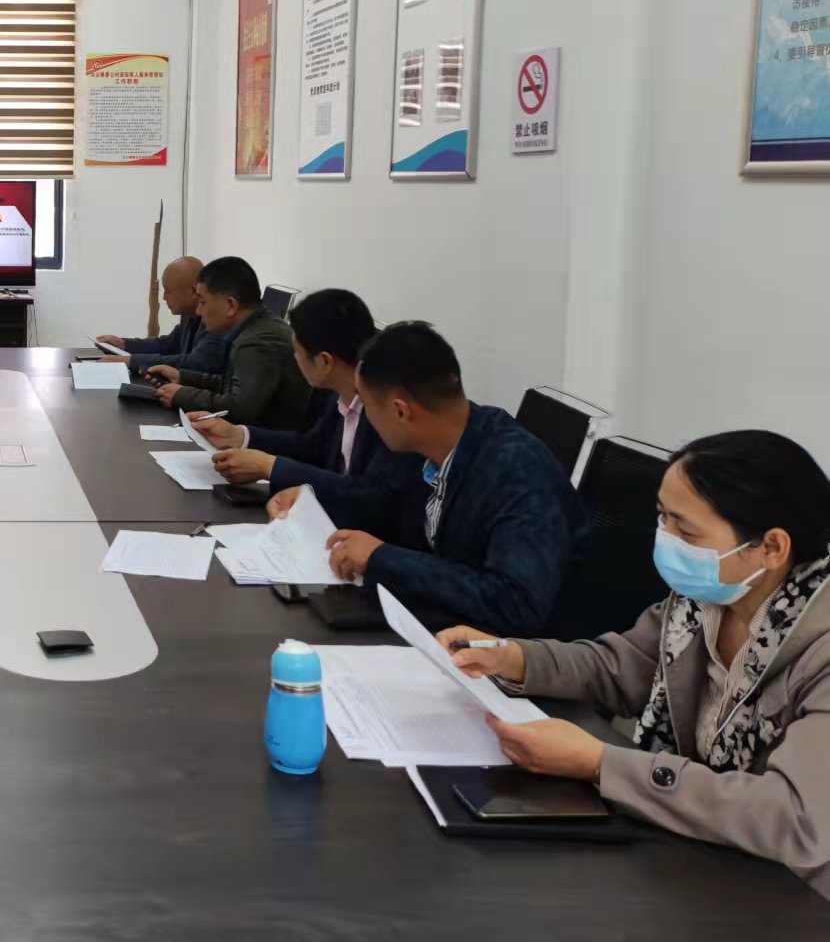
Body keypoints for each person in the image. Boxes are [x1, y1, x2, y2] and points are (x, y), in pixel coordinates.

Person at [439, 430, 830, 898]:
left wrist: (601, 764)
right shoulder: (701, 603)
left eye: (686, 532)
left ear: (771, 547)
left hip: (790, 895)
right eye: (662, 517)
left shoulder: (819, 647)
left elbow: (796, 818)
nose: (666, 539)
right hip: (698, 853)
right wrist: (513, 657)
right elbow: (619, 667)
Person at [331, 320, 586, 637]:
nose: (366, 417)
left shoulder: (517, 469)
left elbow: (516, 604)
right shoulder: (432, 444)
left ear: (400, 411)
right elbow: (379, 500)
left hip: (519, 652)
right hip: (445, 627)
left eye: (367, 405)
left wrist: (382, 557)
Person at [189, 288, 425, 529]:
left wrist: (270, 466)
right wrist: (240, 435)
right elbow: (313, 447)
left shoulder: (387, 413)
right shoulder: (336, 393)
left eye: (297, 351)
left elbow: (371, 495)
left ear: (324, 362)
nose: (294, 358)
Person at [145, 256, 312, 429]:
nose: (199, 311)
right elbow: (231, 385)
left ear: (231, 306)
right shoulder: (253, 327)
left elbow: (240, 409)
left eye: (203, 302)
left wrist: (182, 395)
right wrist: (182, 377)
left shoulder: (258, 341)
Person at [95, 255, 224, 376]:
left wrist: (131, 361)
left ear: (193, 291)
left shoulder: (215, 320)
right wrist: (124, 344)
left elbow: (194, 363)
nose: (163, 297)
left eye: (168, 291)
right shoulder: (188, 314)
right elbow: (166, 345)